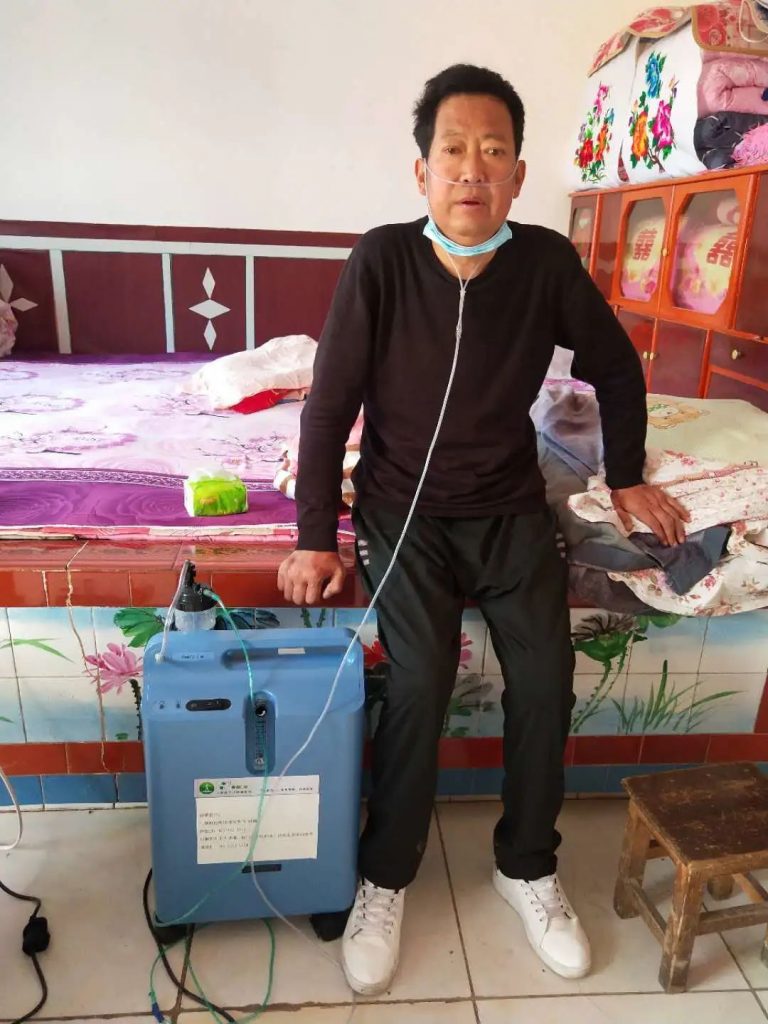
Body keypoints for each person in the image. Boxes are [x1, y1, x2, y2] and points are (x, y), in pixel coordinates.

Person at [277, 63, 688, 995]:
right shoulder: (382, 259)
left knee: (545, 676)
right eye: (454, 150)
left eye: (493, 152)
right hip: (402, 511)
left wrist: (626, 476)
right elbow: (329, 403)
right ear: (421, 171)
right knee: (419, 679)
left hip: (507, 509)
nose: (473, 169)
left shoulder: (543, 263)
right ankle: (387, 877)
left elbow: (616, 365)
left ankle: (527, 866)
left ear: (518, 173)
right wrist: (314, 534)